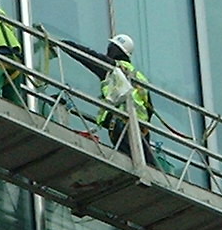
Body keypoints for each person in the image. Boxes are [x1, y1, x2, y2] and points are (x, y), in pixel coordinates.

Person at [63, 33, 157, 166]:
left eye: (111, 47)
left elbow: (88, 56)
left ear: (116, 50)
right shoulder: (139, 76)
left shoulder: (113, 68)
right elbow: (150, 108)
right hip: (141, 130)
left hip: (123, 125)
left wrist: (66, 45)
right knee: (148, 165)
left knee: (128, 164)